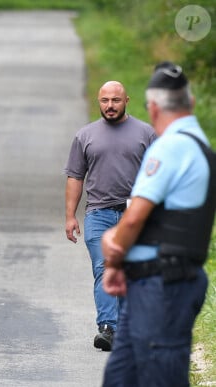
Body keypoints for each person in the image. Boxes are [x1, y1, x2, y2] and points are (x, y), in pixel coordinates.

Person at [101, 62, 214, 386]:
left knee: (158, 379)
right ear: (190, 103)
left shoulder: (171, 146)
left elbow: (134, 216)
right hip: (157, 283)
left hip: (161, 286)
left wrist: (114, 252)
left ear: (152, 108)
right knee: (121, 377)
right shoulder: (201, 147)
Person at [64, 81, 156, 351]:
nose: (110, 106)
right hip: (99, 213)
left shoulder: (146, 134)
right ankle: (108, 327)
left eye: (115, 100)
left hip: (134, 214)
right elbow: (75, 177)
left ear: (126, 100)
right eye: (105, 101)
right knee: (104, 269)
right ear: (98, 101)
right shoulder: (85, 135)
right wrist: (70, 216)